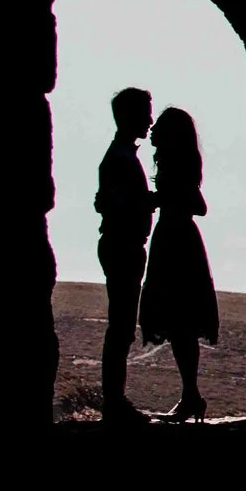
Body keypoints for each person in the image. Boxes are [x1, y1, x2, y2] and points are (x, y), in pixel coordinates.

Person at [138, 106, 219, 422]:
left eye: (159, 124)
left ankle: (190, 396)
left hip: (175, 242)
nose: (152, 128)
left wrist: (159, 200)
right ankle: (190, 395)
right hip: (177, 239)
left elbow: (198, 205)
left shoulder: (174, 166)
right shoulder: (178, 164)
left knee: (179, 321)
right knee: (180, 322)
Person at [93, 87, 156, 424]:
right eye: (145, 112)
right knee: (120, 328)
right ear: (129, 116)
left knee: (121, 327)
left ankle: (114, 403)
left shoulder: (118, 156)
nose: (149, 119)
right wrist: (147, 202)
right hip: (123, 245)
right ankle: (114, 405)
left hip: (122, 244)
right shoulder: (121, 159)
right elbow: (116, 204)